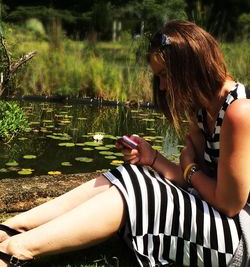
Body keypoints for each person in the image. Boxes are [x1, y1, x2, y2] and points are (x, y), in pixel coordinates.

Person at [0, 19, 249, 267]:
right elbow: (198, 184)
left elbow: (228, 204)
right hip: (211, 216)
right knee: (130, 173)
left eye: (164, 75)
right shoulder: (203, 110)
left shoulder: (239, 112)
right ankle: (12, 227)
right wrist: (152, 158)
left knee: (142, 191)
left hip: (236, 240)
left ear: (188, 66)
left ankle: (17, 250)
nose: (161, 86)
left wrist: (189, 168)